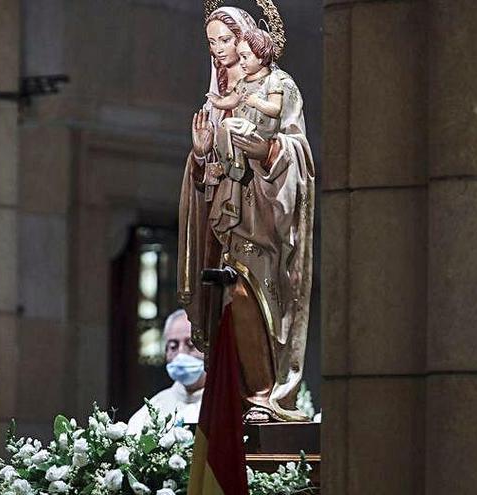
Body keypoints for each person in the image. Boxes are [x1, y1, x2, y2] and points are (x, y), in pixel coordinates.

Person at [179, 5, 314, 423]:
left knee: (247, 297)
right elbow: (205, 169)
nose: (220, 49)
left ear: (246, 39)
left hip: (265, 219)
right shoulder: (218, 98)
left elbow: (300, 155)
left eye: (226, 39)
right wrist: (201, 156)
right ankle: (236, 396)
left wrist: (267, 151)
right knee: (225, 303)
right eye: (212, 42)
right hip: (224, 218)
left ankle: (264, 395)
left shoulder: (278, 85)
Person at [127, 309, 206, 435]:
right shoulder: (153, 409)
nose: (181, 353)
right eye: (173, 346)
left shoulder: (226, 404)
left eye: (191, 345)